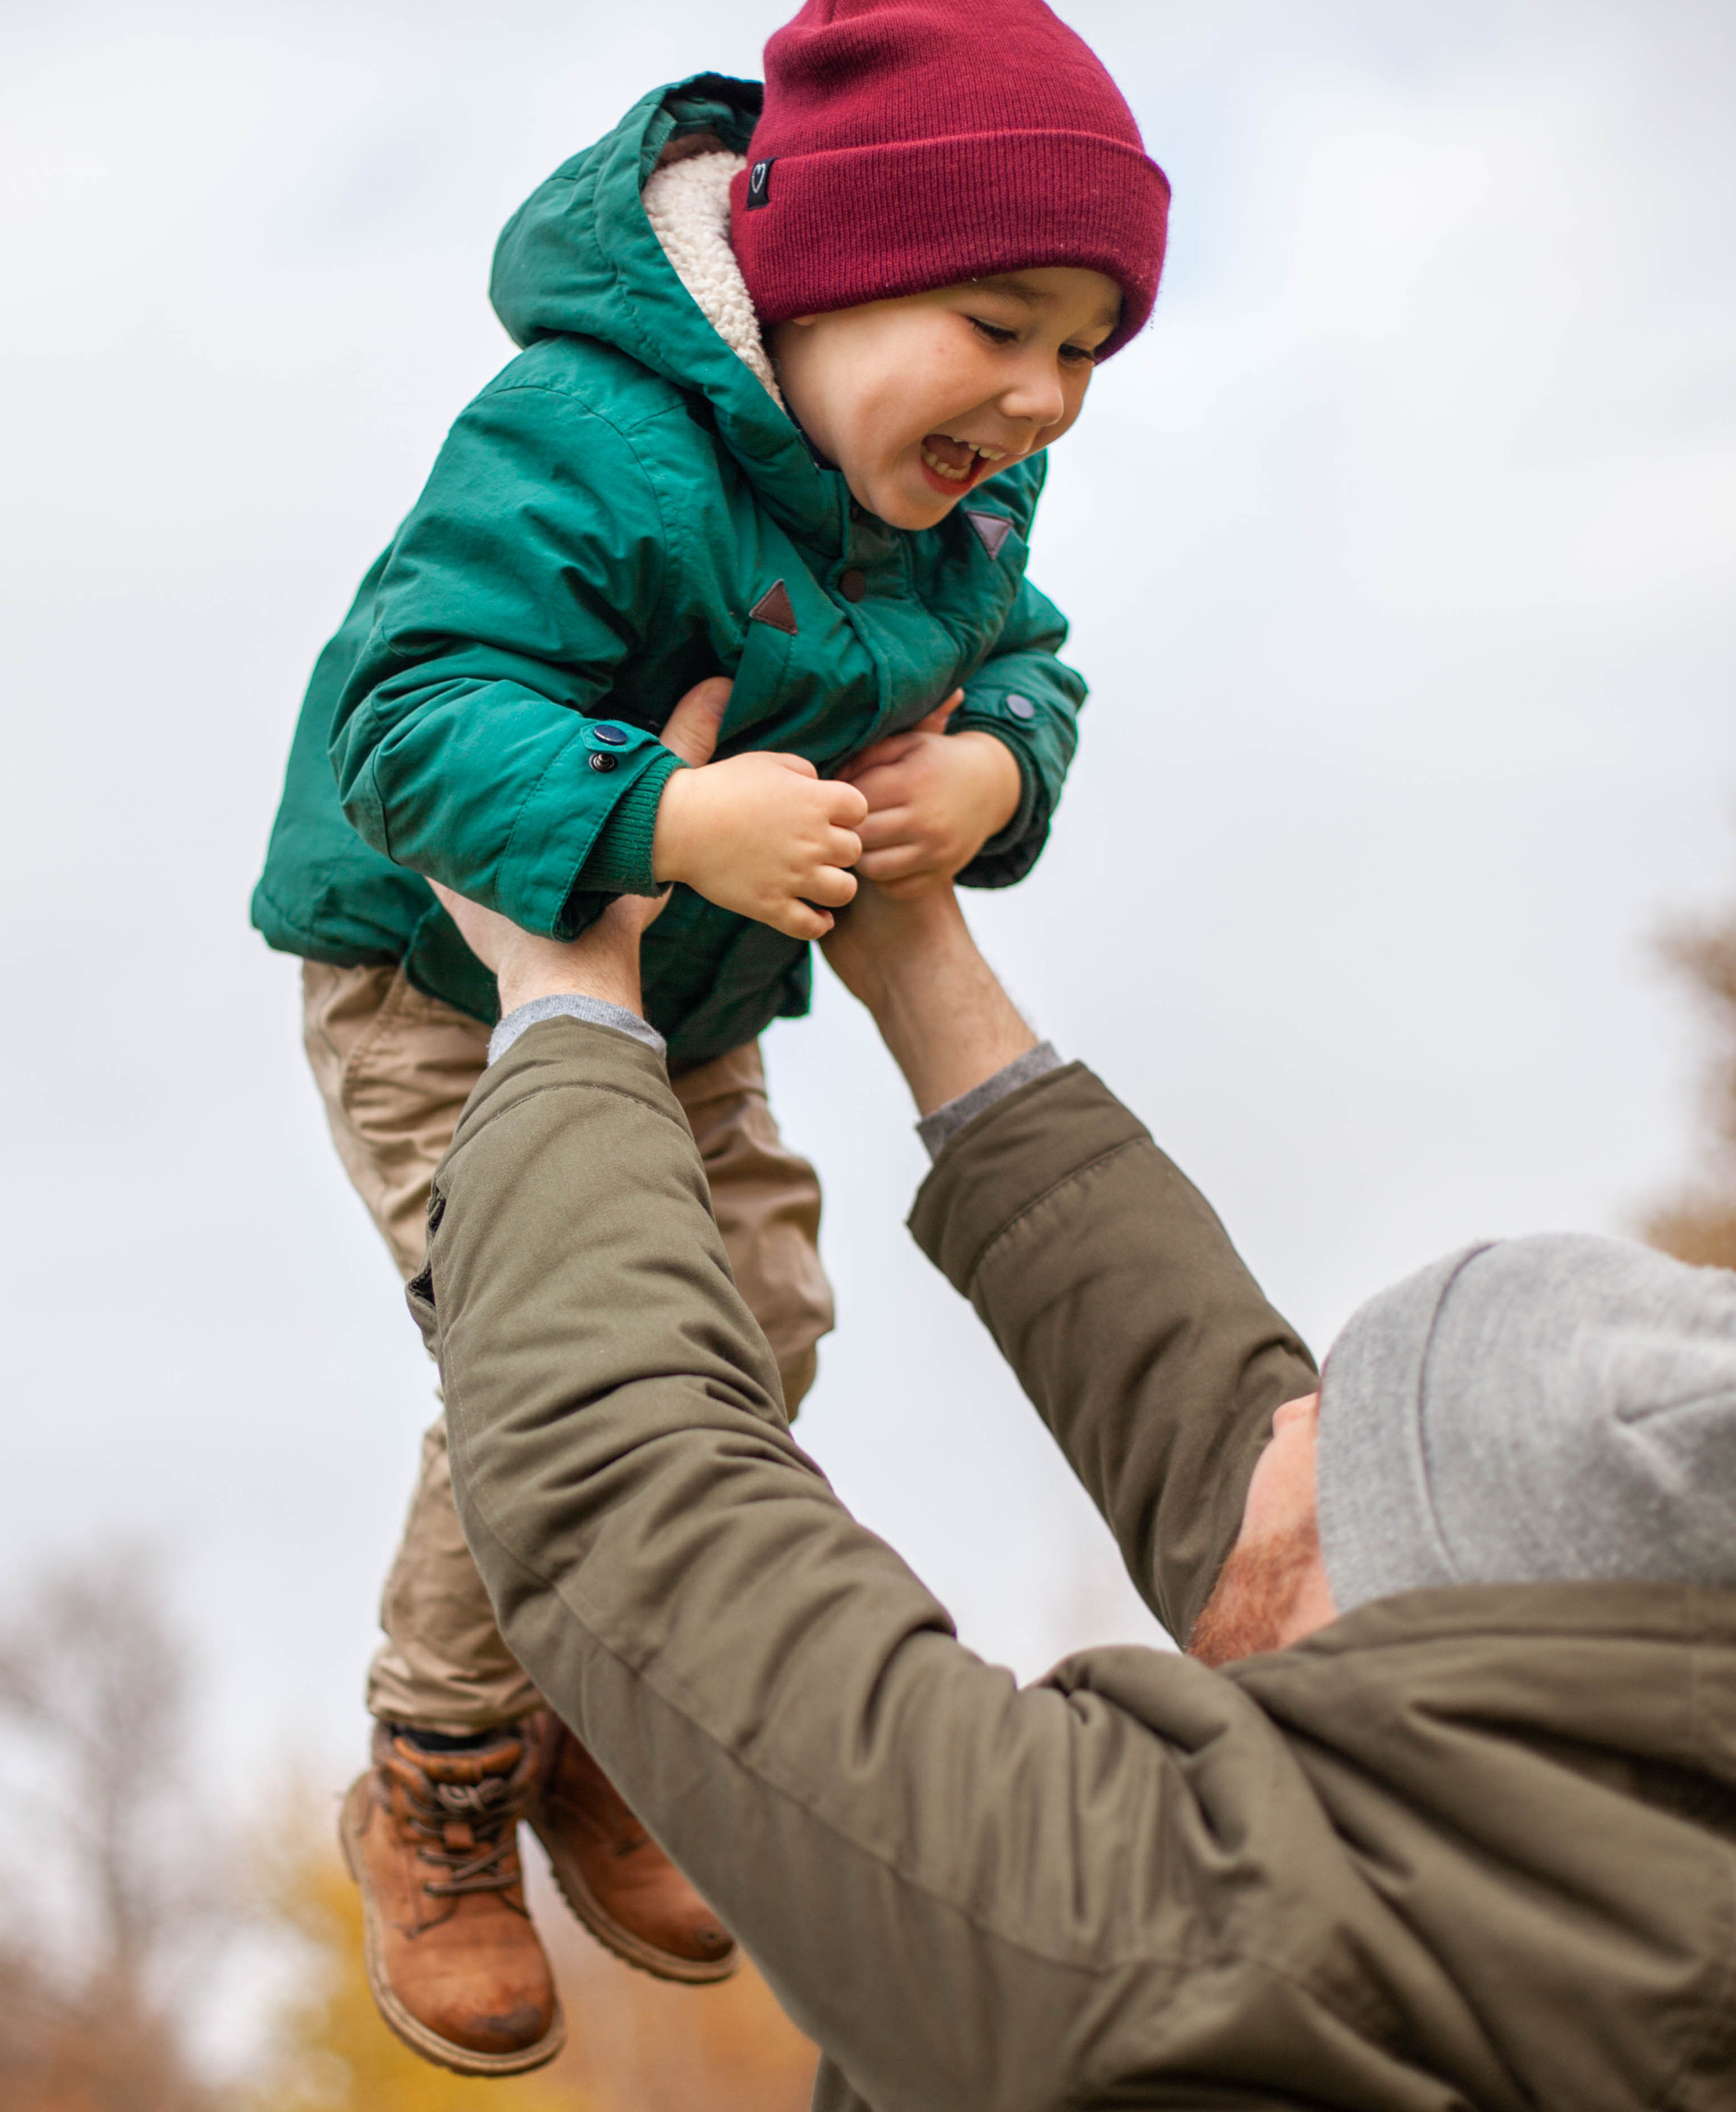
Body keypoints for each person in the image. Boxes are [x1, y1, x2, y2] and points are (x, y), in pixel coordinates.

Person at [249, 0, 1170, 2071]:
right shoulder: (587, 432)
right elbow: (411, 713)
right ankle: (439, 1763)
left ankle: (585, 1713)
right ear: (828, 270)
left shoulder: (947, 501)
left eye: (1083, 350)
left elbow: (1026, 663)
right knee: (559, 1348)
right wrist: (660, 815)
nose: (1041, 397)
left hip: (687, 998)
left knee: (753, 1324)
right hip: (441, 982)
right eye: (1000, 319)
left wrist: (996, 779)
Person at [415, 874, 1736, 2110]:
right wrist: (920, 957)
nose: (1277, 1418)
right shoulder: (1610, 1847)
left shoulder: (1206, 1953)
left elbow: (623, 1480)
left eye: (1332, 1428)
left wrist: (566, 996)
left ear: (1436, 1619)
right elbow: (1242, 1496)